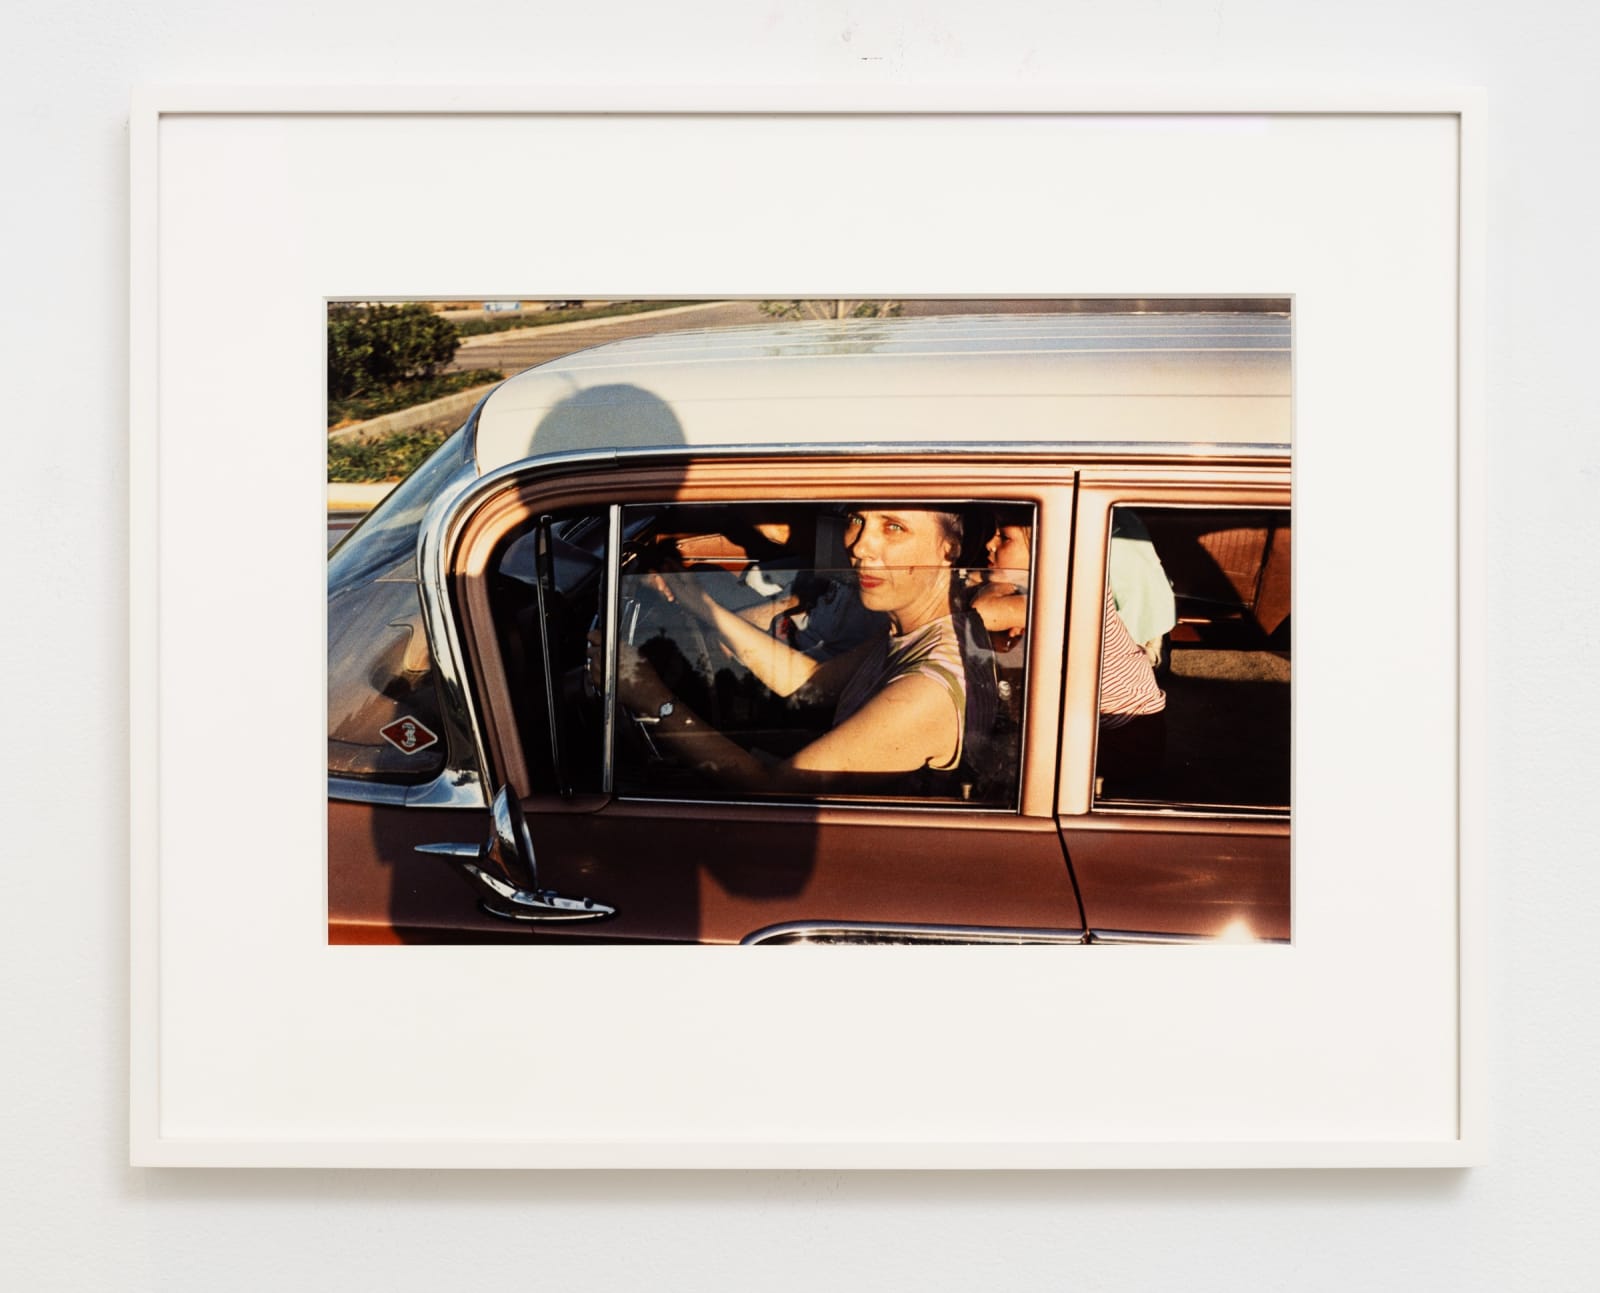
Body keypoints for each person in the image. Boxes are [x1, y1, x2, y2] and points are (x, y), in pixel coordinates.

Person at [607, 508, 970, 794]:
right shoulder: (914, 633)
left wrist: (653, 702)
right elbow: (812, 685)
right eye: (856, 519)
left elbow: (773, 788)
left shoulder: (927, 688)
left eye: (893, 528)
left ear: (949, 548)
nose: (859, 546)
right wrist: (701, 605)